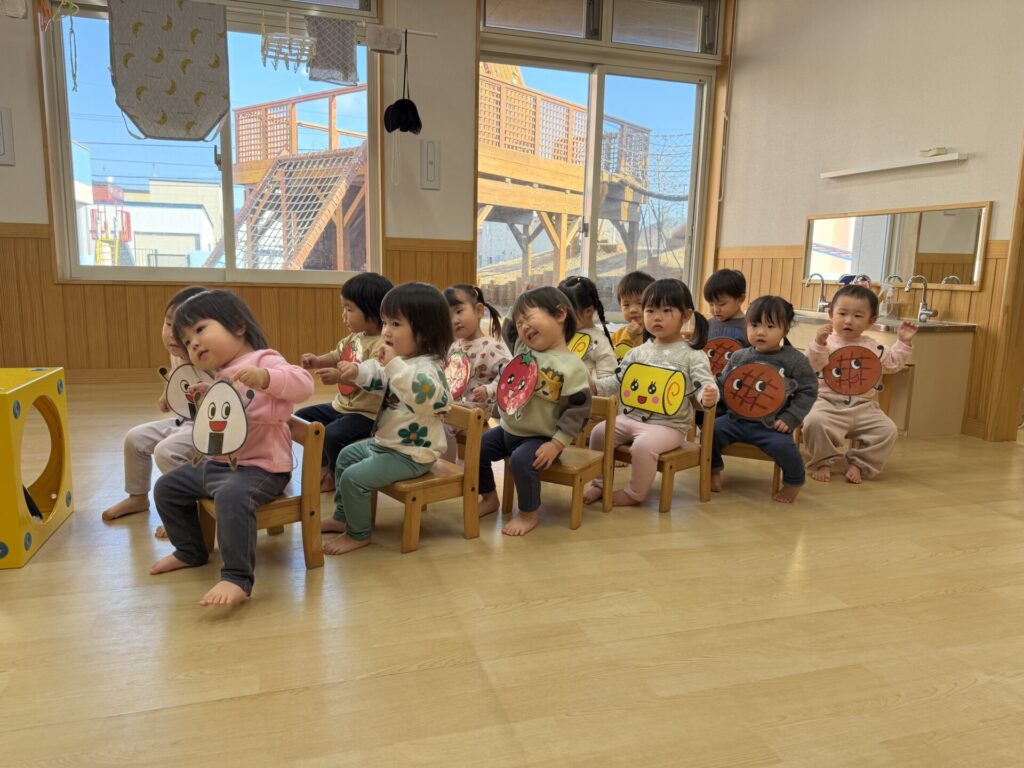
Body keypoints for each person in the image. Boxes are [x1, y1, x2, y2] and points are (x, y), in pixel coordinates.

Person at [150, 290, 314, 606]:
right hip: (220, 465)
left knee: (231, 498)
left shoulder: (264, 360)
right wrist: (205, 395)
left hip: (263, 468)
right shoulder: (221, 374)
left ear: (237, 325)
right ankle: (190, 550)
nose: (194, 344)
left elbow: (304, 384)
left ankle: (237, 577)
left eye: (200, 329)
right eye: (187, 341)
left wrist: (266, 378)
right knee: (166, 488)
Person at [322, 283, 454, 555]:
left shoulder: (429, 367)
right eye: (385, 322)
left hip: (412, 453)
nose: (386, 331)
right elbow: (377, 374)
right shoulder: (401, 360)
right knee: (345, 457)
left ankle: (358, 534)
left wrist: (393, 364)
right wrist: (356, 372)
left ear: (425, 332)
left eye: (396, 324)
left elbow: (428, 399)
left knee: (354, 478)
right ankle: (342, 516)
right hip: (387, 445)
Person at [585, 279, 718, 506]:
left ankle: (634, 493)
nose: (657, 317)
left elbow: (704, 384)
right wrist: (595, 386)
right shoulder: (637, 352)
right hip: (631, 417)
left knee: (643, 446)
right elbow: (618, 381)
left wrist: (708, 395)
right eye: (650, 310)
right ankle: (600, 484)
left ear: (686, 315)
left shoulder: (693, 355)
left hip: (669, 426)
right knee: (598, 433)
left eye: (666, 311)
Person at [471, 286, 592, 536]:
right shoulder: (523, 350)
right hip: (508, 430)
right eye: (520, 322)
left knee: (522, 461)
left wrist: (556, 445)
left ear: (560, 314)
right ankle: (489, 497)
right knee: (476, 448)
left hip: (542, 438)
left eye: (528, 317)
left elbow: (577, 412)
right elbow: (509, 329)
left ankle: (528, 513)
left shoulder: (573, 367)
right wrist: (519, 304)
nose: (523, 327)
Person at [102, 285, 207, 526]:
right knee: (135, 438)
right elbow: (178, 379)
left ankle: (185, 513)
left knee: (167, 451)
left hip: (210, 428)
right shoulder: (177, 354)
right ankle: (138, 497)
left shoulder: (209, 356)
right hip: (186, 421)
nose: (171, 334)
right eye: (168, 324)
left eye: (183, 329)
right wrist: (166, 396)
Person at [802, 284, 917, 484]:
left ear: (871, 320)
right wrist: (818, 343)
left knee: (888, 431)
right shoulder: (825, 343)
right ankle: (823, 462)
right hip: (827, 403)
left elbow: (893, 364)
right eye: (842, 313)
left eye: (857, 316)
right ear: (831, 314)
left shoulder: (873, 347)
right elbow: (811, 366)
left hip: (864, 407)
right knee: (814, 421)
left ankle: (860, 463)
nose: (848, 320)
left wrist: (903, 342)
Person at [710, 296, 818, 503]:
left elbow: (809, 390)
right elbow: (724, 385)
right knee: (711, 432)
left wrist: (791, 417)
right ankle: (713, 470)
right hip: (735, 420)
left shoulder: (794, 359)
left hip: (771, 425)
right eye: (754, 325)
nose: (760, 332)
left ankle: (794, 482)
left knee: (786, 449)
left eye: (770, 326)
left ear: (785, 329)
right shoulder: (738, 356)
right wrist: (712, 389)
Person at [295, 272, 393, 491]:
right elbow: (336, 354)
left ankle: (334, 474)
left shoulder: (383, 345)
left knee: (332, 435)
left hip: (367, 415)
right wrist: (318, 360)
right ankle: (322, 466)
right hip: (342, 406)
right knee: (303, 418)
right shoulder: (355, 338)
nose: (344, 316)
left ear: (373, 310)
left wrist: (340, 377)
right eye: (344, 308)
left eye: (349, 309)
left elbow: (375, 378)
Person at [441, 284, 511, 461]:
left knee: (442, 425)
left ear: (478, 311)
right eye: (448, 316)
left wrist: (489, 389)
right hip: (455, 406)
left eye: (459, 311)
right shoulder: (455, 345)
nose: (454, 320)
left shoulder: (491, 346)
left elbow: (509, 375)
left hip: (476, 411)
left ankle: (447, 470)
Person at [558, 275, 618, 379]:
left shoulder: (598, 341)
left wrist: (591, 385)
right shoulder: (563, 335)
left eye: (567, 313)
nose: (561, 318)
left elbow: (609, 379)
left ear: (588, 311)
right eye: (559, 312)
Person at [610, 271, 656, 359]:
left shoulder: (657, 333)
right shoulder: (618, 334)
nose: (632, 310)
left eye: (639, 303)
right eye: (626, 305)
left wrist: (638, 337)